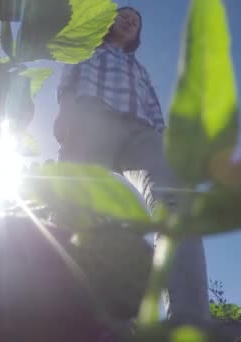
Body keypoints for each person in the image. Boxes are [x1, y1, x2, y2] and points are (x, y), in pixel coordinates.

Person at [53, 6, 210, 327]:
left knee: (178, 199)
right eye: (124, 15)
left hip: (141, 132)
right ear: (110, 22)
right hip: (91, 118)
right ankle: (83, 317)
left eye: (135, 21)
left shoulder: (139, 70)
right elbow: (68, 82)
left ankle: (190, 320)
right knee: (81, 207)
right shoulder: (88, 48)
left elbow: (154, 108)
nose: (129, 21)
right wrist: (67, 116)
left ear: (137, 34)